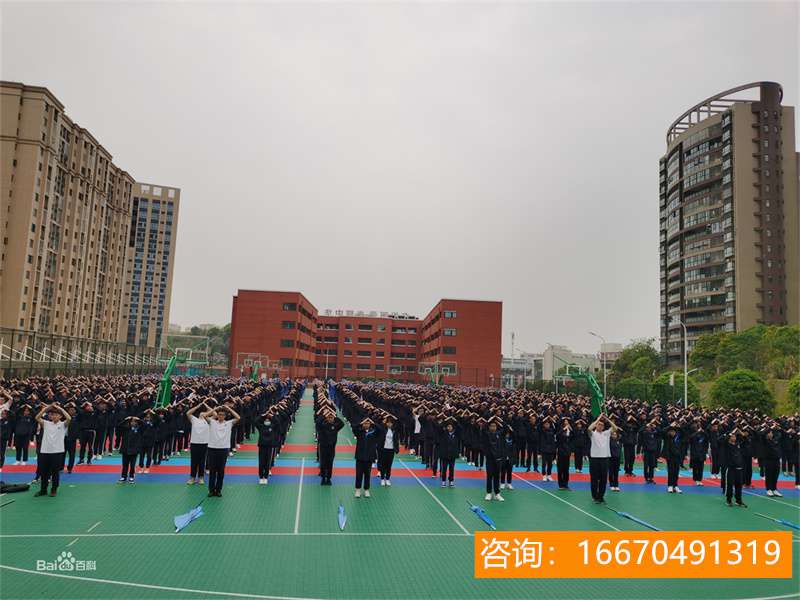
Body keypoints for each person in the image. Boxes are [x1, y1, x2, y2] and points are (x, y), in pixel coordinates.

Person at [202, 404, 241, 497]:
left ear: (225, 416)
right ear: (217, 415)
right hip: (212, 448)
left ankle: (218, 490)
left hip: (223, 449)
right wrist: (215, 408)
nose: (220, 416)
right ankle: (211, 490)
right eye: (219, 414)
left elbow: (238, 417)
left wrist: (229, 408)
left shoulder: (229, 423)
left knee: (221, 471)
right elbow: (204, 416)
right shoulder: (212, 422)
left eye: (223, 415)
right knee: (212, 471)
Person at [34, 403, 70, 497]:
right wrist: (46, 409)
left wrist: (60, 408)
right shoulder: (46, 423)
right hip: (45, 451)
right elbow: (37, 417)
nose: (53, 416)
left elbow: (69, 418)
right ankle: (43, 490)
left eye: (56, 414)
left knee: (55, 472)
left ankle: (54, 489)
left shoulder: (62, 424)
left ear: (60, 416)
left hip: (57, 452)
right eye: (52, 414)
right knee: (44, 472)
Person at [588, 414, 617, 504]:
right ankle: (595, 496)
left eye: (602, 425)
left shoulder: (606, 433)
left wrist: (607, 419)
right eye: (599, 425)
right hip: (594, 459)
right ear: (596, 425)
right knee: (594, 479)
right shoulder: (593, 434)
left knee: (604, 479)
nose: (600, 426)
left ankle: (601, 496)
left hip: (604, 459)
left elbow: (615, 428)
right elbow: (589, 429)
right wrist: (598, 418)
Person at [352, 417, 379, 498]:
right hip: (360, 457)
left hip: (369, 458)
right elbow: (354, 428)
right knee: (358, 475)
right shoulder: (359, 432)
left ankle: (366, 490)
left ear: (370, 424)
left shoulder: (373, 433)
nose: (366, 424)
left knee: (367, 475)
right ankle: (358, 490)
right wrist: (361, 422)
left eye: (367, 423)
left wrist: (373, 423)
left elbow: (381, 430)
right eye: (365, 423)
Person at [315, 410, 344, 486]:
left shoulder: (335, 426)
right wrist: (324, 415)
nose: (330, 419)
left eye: (332, 418)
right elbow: (317, 422)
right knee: (323, 464)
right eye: (329, 417)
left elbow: (342, 423)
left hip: (331, 449)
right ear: (326, 418)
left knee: (330, 464)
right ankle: (323, 478)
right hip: (323, 448)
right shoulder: (323, 426)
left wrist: (335, 416)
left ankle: (328, 479)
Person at [254, 409, 282, 485]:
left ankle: (265, 477)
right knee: (261, 462)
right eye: (265, 420)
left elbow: (278, 423)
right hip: (262, 446)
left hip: (269, 446)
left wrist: (272, 416)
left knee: (267, 462)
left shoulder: (273, 427)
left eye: (268, 419)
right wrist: (263, 415)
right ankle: (261, 477)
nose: (267, 421)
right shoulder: (261, 426)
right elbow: (256, 421)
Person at [186, 402, 210, 485]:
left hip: (204, 443)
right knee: (194, 461)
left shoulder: (208, 421)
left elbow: (214, 414)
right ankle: (192, 478)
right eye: (201, 413)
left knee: (202, 461)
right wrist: (197, 406)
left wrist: (207, 407)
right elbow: (188, 413)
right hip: (194, 443)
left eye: (204, 413)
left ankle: (201, 477)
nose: (202, 414)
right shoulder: (194, 420)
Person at [723, 429, 747, 507]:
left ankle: (738, 500)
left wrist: (741, 433)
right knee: (729, 485)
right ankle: (728, 500)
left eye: (735, 436)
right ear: (729, 438)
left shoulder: (737, 445)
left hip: (739, 468)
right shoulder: (727, 445)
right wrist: (731, 432)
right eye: (732, 436)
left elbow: (745, 439)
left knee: (739, 485)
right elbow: (723, 439)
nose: (734, 438)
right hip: (731, 469)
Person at [483, 416, 504, 501]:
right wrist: (490, 419)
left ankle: (497, 493)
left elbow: (505, 428)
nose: (493, 427)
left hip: (498, 459)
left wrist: (499, 420)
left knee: (496, 477)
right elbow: (484, 427)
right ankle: (488, 493)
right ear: (489, 427)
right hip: (489, 459)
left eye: (494, 426)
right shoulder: (486, 434)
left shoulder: (499, 434)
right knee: (489, 477)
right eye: (491, 426)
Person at [118, 416, 143, 484]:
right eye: (132, 421)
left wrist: (139, 419)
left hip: (134, 450)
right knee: (125, 465)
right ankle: (123, 477)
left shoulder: (139, 429)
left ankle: (131, 476)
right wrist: (126, 419)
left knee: (132, 465)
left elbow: (144, 425)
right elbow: (119, 426)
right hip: (125, 449)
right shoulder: (125, 429)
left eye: (134, 422)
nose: (133, 423)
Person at [376, 415, 399, 487]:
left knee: (389, 465)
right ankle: (382, 479)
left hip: (391, 450)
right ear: (386, 423)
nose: (389, 424)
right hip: (383, 449)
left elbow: (396, 440)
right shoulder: (383, 429)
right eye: (388, 423)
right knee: (383, 465)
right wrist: (384, 418)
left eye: (391, 423)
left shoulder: (394, 430)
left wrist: (397, 449)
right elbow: (377, 425)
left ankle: (388, 479)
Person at [760, 427, 783, 497]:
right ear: (767, 434)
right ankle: (768, 489)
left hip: (777, 460)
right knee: (769, 475)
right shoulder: (765, 441)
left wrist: (777, 428)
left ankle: (774, 489)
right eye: (769, 433)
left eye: (771, 433)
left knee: (775, 475)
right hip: (768, 460)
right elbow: (761, 434)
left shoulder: (776, 440)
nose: (771, 434)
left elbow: (781, 434)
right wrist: (769, 428)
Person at [437, 417, 460, 488]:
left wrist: (455, 420)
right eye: (448, 426)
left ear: (453, 427)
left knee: (451, 469)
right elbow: (439, 427)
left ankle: (451, 481)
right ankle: (443, 481)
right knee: (444, 469)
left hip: (452, 454)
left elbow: (460, 428)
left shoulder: (456, 434)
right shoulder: (443, 434)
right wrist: (445, 420)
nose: (449, 428)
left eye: (450, 426)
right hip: (444, 454)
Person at [662, 423, 684, 494]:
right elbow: (663, 431)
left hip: (677, 456)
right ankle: (670, 486)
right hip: (670, 457)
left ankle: (675, 485)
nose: (672, 433)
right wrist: (670, 426)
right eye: (671, 431)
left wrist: (679, 427)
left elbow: (685, 433)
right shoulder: (667, 437)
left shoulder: (678, 437)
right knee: (671, 471)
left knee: (676, 471)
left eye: (674, 431)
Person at [556, 418, 572, 490]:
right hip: (561, 452)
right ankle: (560, 484)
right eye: (565, 421)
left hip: (567, 452)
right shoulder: (560, 430)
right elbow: (557, 436)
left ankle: (566, 484)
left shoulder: (570, 431)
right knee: (560, 469)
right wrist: (564, 429)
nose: (566, 422)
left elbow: (574, 436)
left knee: (566, 469)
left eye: (567, 421)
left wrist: (570, 428)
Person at [499, 426, 515, 491]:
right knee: (503, 471)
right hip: (503, 458)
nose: (507, 435)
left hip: (510, 458)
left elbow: (515, 436)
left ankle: (509, 483)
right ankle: (502, 483)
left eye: (509, 434)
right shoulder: (502, 439)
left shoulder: (512, 440)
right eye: (506, 434)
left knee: (509, 472)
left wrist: (512, 430)